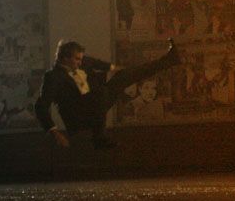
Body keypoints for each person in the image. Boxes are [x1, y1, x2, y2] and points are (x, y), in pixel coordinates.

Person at [34, 38, 179, 149]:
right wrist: (55, 132)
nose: (80, 62)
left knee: (122, 77)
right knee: (101, 91)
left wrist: (121, 70)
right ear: (65, 59)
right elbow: (40, 106)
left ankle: (169, 60)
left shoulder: (83, 62)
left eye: (81, 58)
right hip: (79, 117)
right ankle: (99, 138)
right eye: (77, 59)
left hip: (95, 103)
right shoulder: (53, 77)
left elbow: (99, 64)